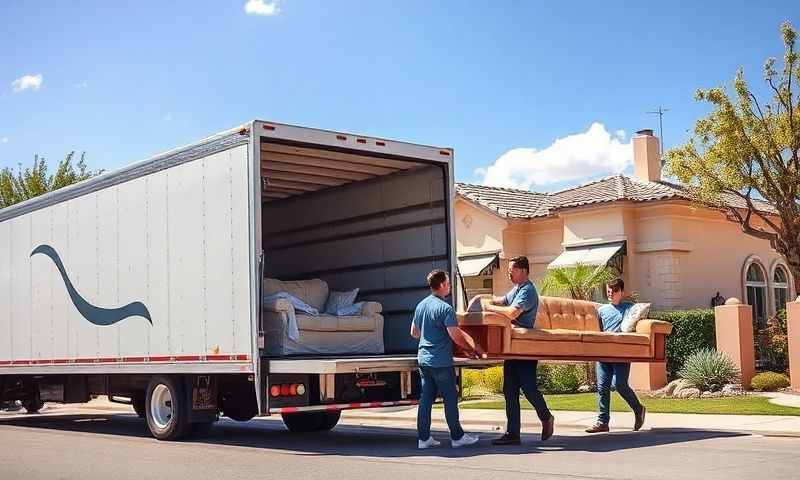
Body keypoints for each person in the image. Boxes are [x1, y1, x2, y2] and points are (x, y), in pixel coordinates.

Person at [482, 256, 555, 445]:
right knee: (510, 390)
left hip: (524, 347)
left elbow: (512, 312)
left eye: (511, 269)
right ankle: (513, 434)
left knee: (529, 388)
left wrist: (489, 307)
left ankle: (546, 417)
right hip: (511, 346)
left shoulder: (528, 291)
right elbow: (502, 301)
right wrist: (485, 299)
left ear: (523, 271)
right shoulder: (517, 289)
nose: (508, 272)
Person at [411, 269, 483, 449]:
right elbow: (456, 336)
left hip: (424, 360)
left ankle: (424, 439)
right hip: (441, 362)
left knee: (426, 399)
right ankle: (457, 437)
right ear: (442, 285)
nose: (449, 286)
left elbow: (414, 333)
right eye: (448, 283)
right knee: (450, 398)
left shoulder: (421, 305)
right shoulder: (445, 308)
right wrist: (471, 349)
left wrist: (429, 335)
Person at [585, 277, 647, 433]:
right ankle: (602, 422)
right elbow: (598, 331)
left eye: (613, 291)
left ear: (621, 292)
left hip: (621, 353)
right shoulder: (601, 310)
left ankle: (638, 409)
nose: (610, 294)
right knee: (602, 387)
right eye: (608, 291)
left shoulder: (630, 308)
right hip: (603, 354)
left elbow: (639, 319)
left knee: (620, 385)